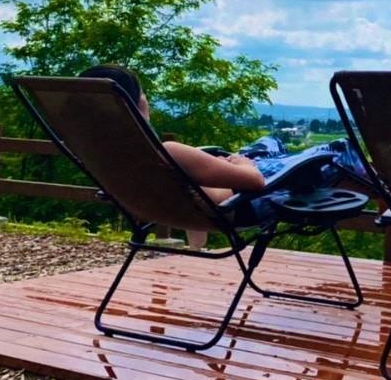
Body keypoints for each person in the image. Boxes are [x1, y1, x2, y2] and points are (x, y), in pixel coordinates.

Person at [79, 65, 265, 248]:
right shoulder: (170, 152)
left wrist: (211, 165)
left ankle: (196, 245)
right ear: (135, 104)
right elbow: (256, 181)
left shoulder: (105, 155)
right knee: (271, 147)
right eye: (143, 94)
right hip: (237, 208)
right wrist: (243, 163)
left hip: (167, 211)